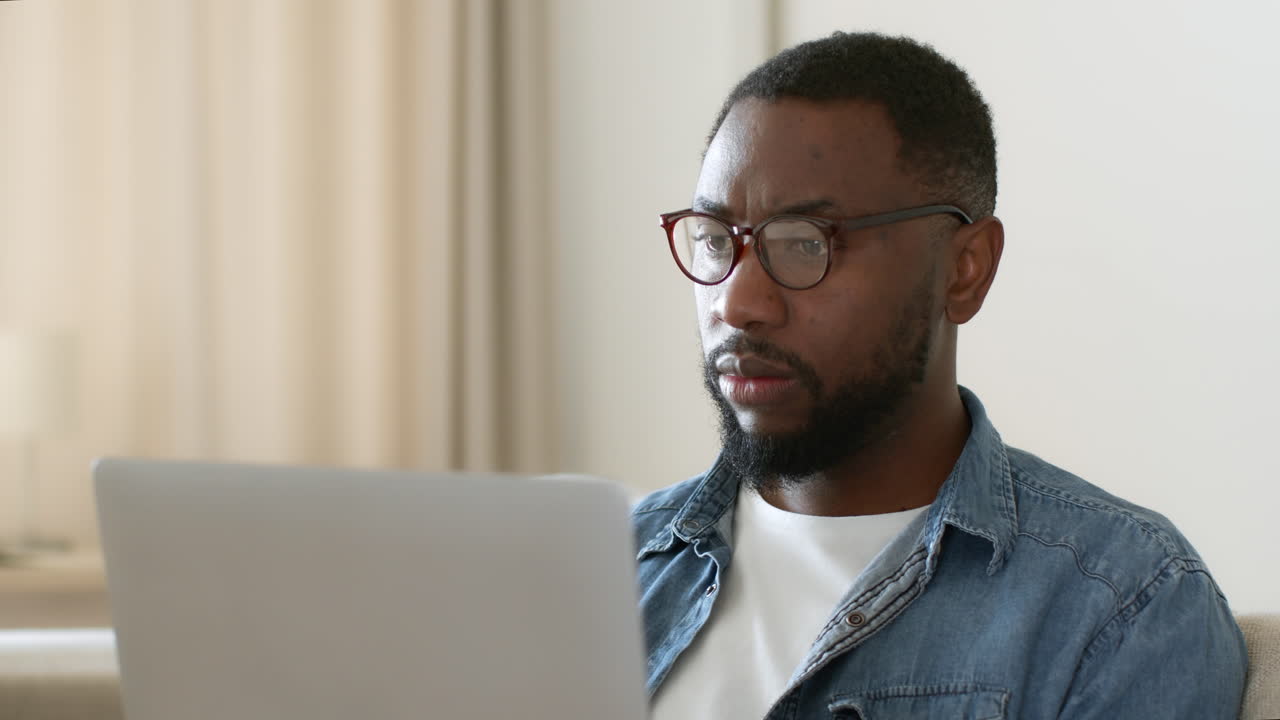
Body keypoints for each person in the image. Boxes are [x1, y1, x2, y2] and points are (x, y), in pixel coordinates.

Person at [633, 31, 1246, 719]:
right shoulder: (602, 571)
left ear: (965, 269)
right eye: (716, 240)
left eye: (805, 243)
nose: (737, 302)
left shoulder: (1121, 603)